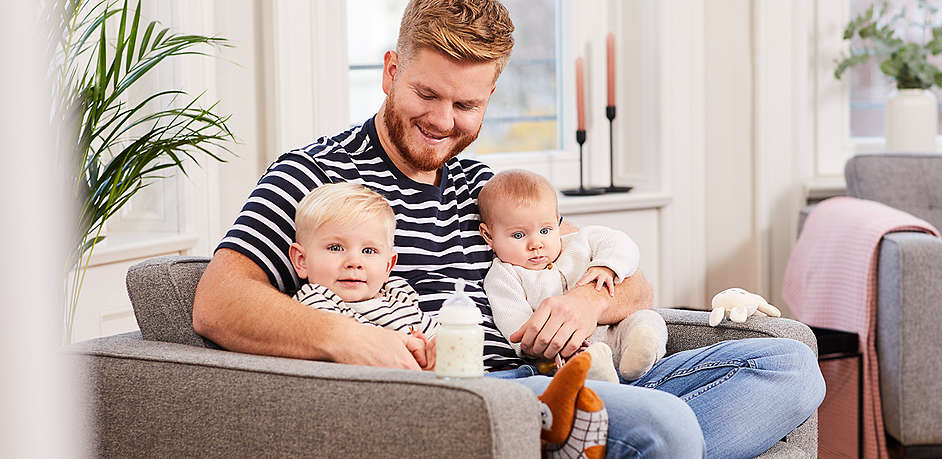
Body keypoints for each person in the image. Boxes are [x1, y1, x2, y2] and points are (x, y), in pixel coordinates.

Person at [192, 0, 825, 457]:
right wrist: (343, 337)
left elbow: (635, 287)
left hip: (560, 378)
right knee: (671, 429)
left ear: (490, 96)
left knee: (791, 366)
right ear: (390, 72)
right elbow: (218, 301)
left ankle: (600, 443)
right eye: (426, 94)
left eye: (466, 104)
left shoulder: (488, 189)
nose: (443, 120)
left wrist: (586, 295)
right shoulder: (315, 173)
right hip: (470, 399)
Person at [479, 169, 668, 383]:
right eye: (519, 235)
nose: (536, 244)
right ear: (489, 235)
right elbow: (516, 326)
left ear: (558, 222)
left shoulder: (579, 241)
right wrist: (548, 339)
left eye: (545, 230)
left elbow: (622, 244)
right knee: (572, 361)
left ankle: (640, 351)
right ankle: (597, 372)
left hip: (617, 329)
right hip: (570, 347)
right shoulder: (503, 277)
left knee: (647, 320)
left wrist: (606, 267)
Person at [288, 182, 437, 341]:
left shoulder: (399, 294)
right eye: (336, 248)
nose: (354, 262)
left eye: (368, 251)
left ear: (388, 266)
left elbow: (438, 337)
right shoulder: (315, 301)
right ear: (302, 260)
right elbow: (348, 345)